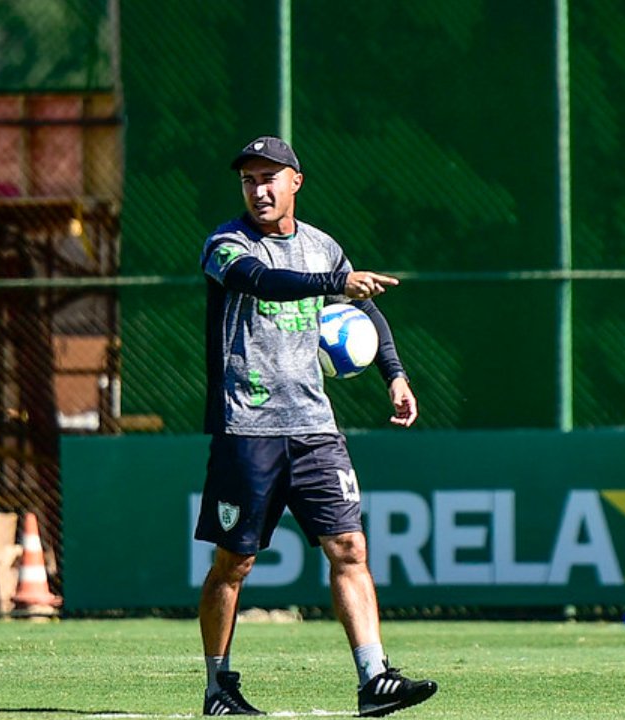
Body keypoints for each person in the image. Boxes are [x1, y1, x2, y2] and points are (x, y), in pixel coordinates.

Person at [195, 135, 438, 717]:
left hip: (314, 427)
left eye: (269, 178)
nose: (259, 189)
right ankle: (218, 686)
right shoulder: (226, 244)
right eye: (249, 180)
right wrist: (334, 285)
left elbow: (366, 310)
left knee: (349, 546)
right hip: (247, 426)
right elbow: (260, 280)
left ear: (295, 182)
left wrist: (395, 375)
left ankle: (374, 679)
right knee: (235, 563)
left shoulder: (323, 247)